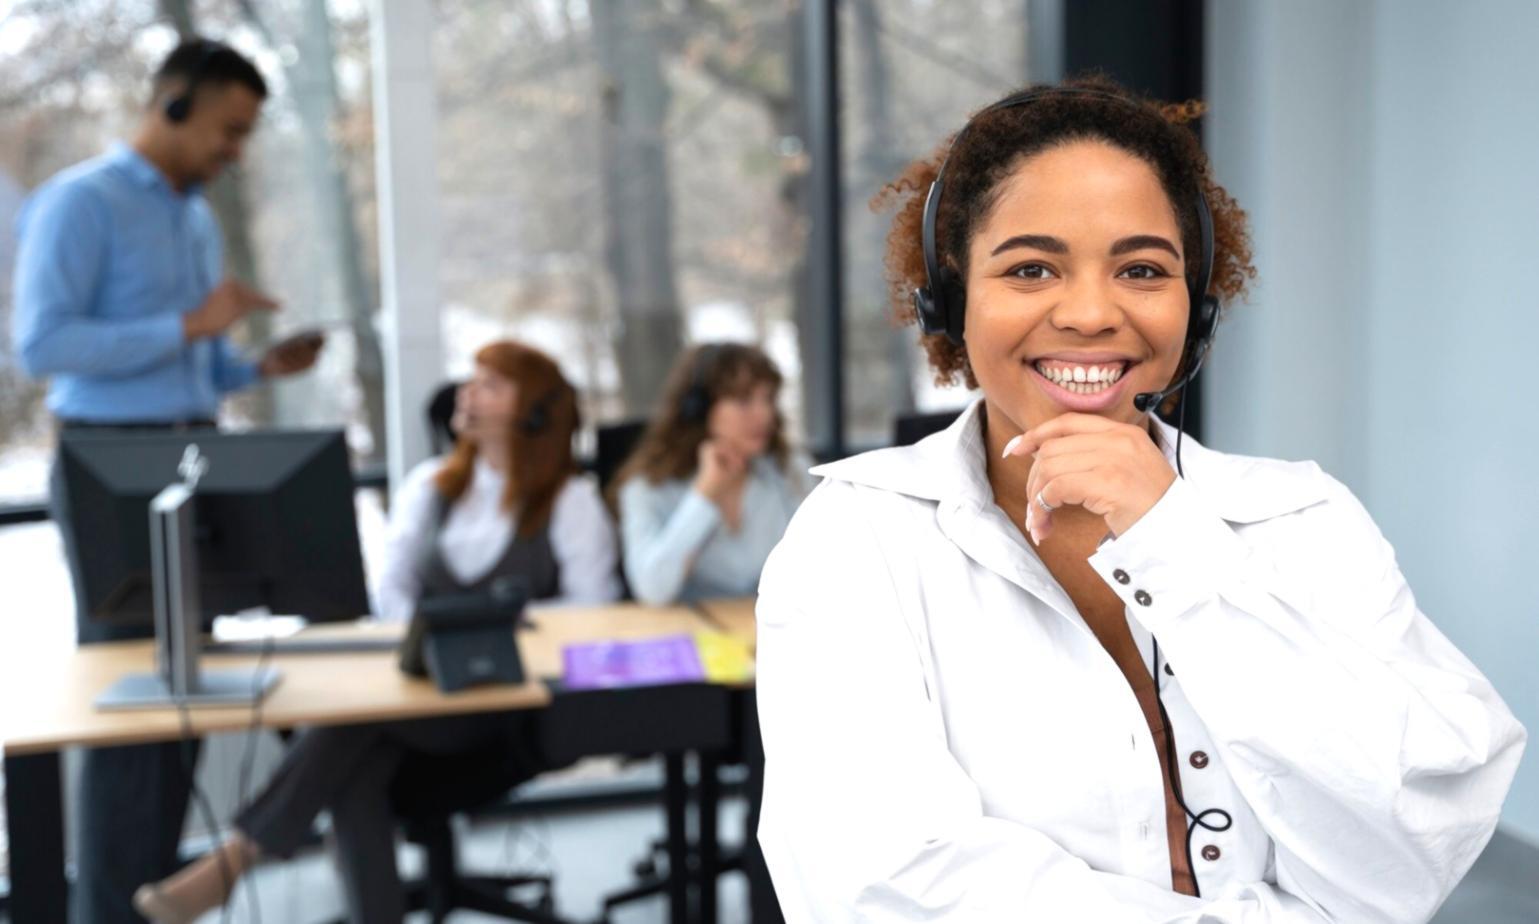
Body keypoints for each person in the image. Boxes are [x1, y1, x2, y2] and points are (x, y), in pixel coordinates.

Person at [754, 77, 1526, 922]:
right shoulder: (858, 536)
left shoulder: (1303, 520)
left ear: (1195, 308)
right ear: (948, 301)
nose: (1090, 312)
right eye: (1030, 268)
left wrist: (1177, 543)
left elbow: (1419, 831)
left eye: (1141, 268)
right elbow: (875, 884)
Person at [133, 340, 622, 923]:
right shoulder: (431, 486)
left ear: (537, 410)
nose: (467, 392)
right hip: (416, 690)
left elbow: (595, 607)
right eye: (471, 379)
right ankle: (244, 866)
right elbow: (391, 592)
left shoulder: (569, 502)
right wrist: (424, 635)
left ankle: (235, 859)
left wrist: (491, 624)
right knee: (356, 769)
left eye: (491, 384)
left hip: (502, 701)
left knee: (350, 727)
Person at [7, 38, 321, 924]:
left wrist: (254, 367)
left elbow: (196, 361)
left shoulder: (192, 218)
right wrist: (188, 324)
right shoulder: (79, 202)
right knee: (134, 704)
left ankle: (149, 904)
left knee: (186, 695)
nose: (236, 150)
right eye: (229, 128)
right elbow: (43, 347)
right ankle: (106, 912)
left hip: (193, 454)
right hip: (113, 461)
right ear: (174, 105)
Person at [613, 342, 809, 605]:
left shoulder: (790, 470)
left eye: (768, 398)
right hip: (696, 637)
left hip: (777, 633)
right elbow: (652, 590)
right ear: (700, 409)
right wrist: (704, 494)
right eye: (744, 400)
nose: (765, 414)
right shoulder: (647, 487)